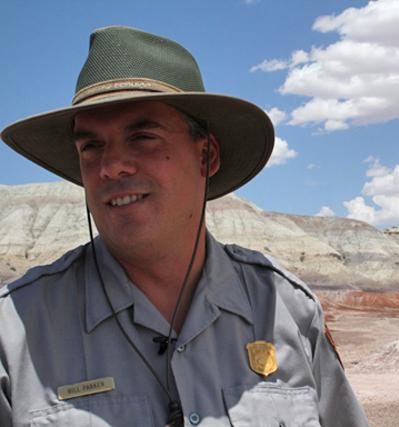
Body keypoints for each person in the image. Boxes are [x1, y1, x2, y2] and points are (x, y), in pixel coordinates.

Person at [0, 26, 369, 427]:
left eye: (142, 136)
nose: (110, 166)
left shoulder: (287, 311)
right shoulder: (14, 333)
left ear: (206, 156)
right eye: (91, 147)